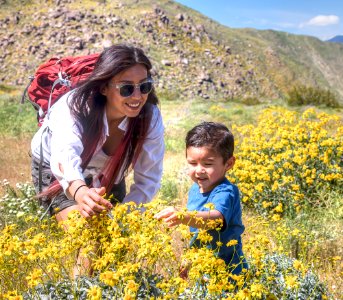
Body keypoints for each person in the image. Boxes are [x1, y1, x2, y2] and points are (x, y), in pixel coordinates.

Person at [31, 44, 165, 223]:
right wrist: (80, 192)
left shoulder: (149, 117)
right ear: (104, 88)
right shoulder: (75, 105)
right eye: (127, 88)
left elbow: (149, 178)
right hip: (57, 166)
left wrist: (124, 219)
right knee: (82, 233)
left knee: (112, 234)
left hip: (109, 169)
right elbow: (65, 155)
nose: (137, 96)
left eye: (145, 86)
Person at [155, 121, 247, 276]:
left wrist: (183, 216)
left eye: (208, 164)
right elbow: (197, 232)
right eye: (192, 163)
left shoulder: (225, 192)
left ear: (229, 163)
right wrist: (189, 258)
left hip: (228, 272)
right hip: (203, 268)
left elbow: (215, 219)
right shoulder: (195, 189)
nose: (199, 170)